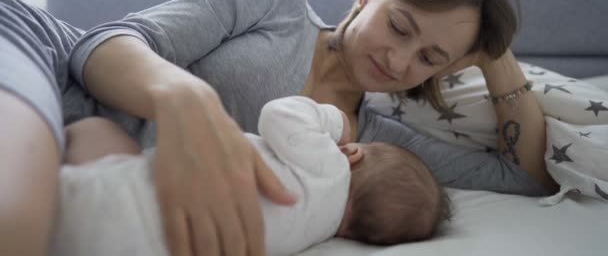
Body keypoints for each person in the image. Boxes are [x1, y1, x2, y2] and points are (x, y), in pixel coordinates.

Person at [0, 0, 557, 256]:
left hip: (96, 180)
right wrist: (185, 99)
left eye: (430, 59)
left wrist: (491, 51)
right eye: (400, 26)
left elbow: (525, 176)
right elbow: (103, 44)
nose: (401, 61)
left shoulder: (370, 144)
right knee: (15, 218)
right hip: (41, 62)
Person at [51, 96, 449, 256]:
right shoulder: (312, 233)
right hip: (148, 246)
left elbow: (278, 115)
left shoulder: (329, 167)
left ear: (353, 154)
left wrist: (333, 120)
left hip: (124, 201)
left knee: (94, 131)